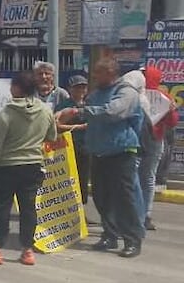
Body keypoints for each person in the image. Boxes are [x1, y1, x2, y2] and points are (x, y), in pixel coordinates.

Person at [56, 58, 145, 258]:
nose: (94, 76)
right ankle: (109, 235)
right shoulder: (95, 94)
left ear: (112, 73)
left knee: (124, 198)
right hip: (98, 152)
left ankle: (132, 239)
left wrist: (80, 111)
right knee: (102, 196)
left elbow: (112, 112)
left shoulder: (126, 92)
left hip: (121, 152)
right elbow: (89, 117)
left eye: (99, 72)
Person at [0, 71, 58, 266]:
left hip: (7, 167)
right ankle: (27, 251)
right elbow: (52, 136)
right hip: (33, 166)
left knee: (2, 209)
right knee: (29, 210)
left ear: (17, 88)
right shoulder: (45, 111)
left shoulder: (6, 113)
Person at [139, 64, 177, 231]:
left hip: (140, 141)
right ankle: (144, 215)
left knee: (137, 178)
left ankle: (140, 215)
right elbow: (172, 123)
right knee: (147, 179)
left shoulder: (134, 95)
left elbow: (172, 121)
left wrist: (171, 111)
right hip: (155, 140)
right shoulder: (164, 96)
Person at [55, 75, 91, 206]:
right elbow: (56, 125)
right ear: (70, 89)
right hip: (67, 146)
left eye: (83, 87)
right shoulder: (64, 106)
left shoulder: (90, 105)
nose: (80, 90)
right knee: (68, 179)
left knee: (83, 178)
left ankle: (81, 209)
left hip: (86, 147)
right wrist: (79, 127)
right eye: (77, 87)